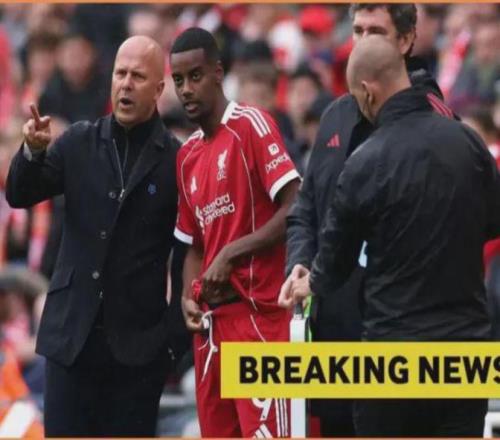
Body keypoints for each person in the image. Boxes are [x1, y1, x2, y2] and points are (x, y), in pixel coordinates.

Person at [284, 35, 500, 438]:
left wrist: (307, 281)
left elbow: (334, 261)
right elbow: (493, 221)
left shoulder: (365, 162)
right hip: (463, 352)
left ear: (367, 92)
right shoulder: (468, 140)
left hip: (391, 355)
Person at [6, 35, 188, 437]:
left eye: (138, 76)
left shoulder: (176, 160)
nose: (126, 84)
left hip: (138, 351)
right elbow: (19, 194)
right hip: (71, 340)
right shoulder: (78, 140)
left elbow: (185, 252)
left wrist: (171, 341)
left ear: (159, 88)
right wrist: (32, 152)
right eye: (120, 74)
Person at [170, 27, 300, 438]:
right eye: (178, 80)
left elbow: (295, 206)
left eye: (195, 76)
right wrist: (188, 296)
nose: (186, 89)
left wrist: (231, 254)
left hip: (259, 319)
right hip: (212, 329)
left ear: (218, 73)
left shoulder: (251, 125)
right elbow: (194, 246)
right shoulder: (187, 156)